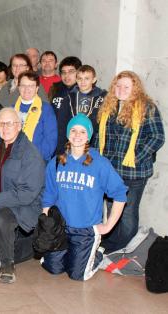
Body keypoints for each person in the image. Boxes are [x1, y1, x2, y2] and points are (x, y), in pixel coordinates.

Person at [41, 114, 128, 281]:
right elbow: (49, 195)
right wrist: (46, 224)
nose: (77, 135)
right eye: (73, 130)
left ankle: (97, 253)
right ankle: (75, 255)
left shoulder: (100, 163)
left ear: (89, 136)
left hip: (85, 230)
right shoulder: (57, 162)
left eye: (82, 131)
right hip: (61, 228)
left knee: (78, 275)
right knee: (53, 268)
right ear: (68, 134)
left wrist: (108, 226)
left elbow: (120, 194)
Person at [95, 71, 165, 253]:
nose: (121, 89)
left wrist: (135, 157)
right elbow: (99, 138)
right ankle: (111, 246)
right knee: (111, 212)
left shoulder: (146, 108)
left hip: (134, 173)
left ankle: (122, 247)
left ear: (135, 89)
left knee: (127, 214)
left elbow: (157, 137)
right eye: (118, 86)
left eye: (127, 86)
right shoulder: (108, 107)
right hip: (110, 172)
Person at [0, 107, 45, 284]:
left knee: (2, 219)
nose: (5, 127)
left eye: (9, 123)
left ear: (19, 126)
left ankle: (8, 264)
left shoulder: (30, 153)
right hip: (1, 201)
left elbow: (27, 194)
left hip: (24, 206)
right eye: (1, 124)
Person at [55, 65, 106, 155]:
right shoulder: (68, 98)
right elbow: (61, 125)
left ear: (94, 80)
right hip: (72, 143)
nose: (83, 82)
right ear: (76, 79)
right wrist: (60, 150)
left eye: (87, 78)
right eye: (80, 78)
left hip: (93, 145)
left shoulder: (102, 99)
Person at [12, 71, 57, 161]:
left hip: (37, 159)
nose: (26, 89)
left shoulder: (45, 109)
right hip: (14, 158)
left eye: (31, 86)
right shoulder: (12, 109)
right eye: (23, 85)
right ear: (18, 87)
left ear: (37, 88)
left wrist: (36, 157)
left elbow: (50, 140)